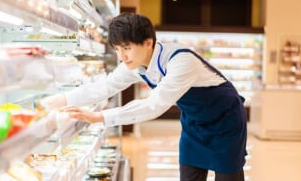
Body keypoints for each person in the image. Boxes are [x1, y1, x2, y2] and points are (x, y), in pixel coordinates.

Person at [40, 12, 247, 181]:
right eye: (118, 49)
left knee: (228, 177)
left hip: (225, 122)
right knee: (189, 176)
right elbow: (105, 87)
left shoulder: (181, 60)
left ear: (148, 43)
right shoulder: (135, 64)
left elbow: (153, 106)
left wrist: (100, 117)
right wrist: (60, 100)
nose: (122, 56)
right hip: (194, 122)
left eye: (127, 48)